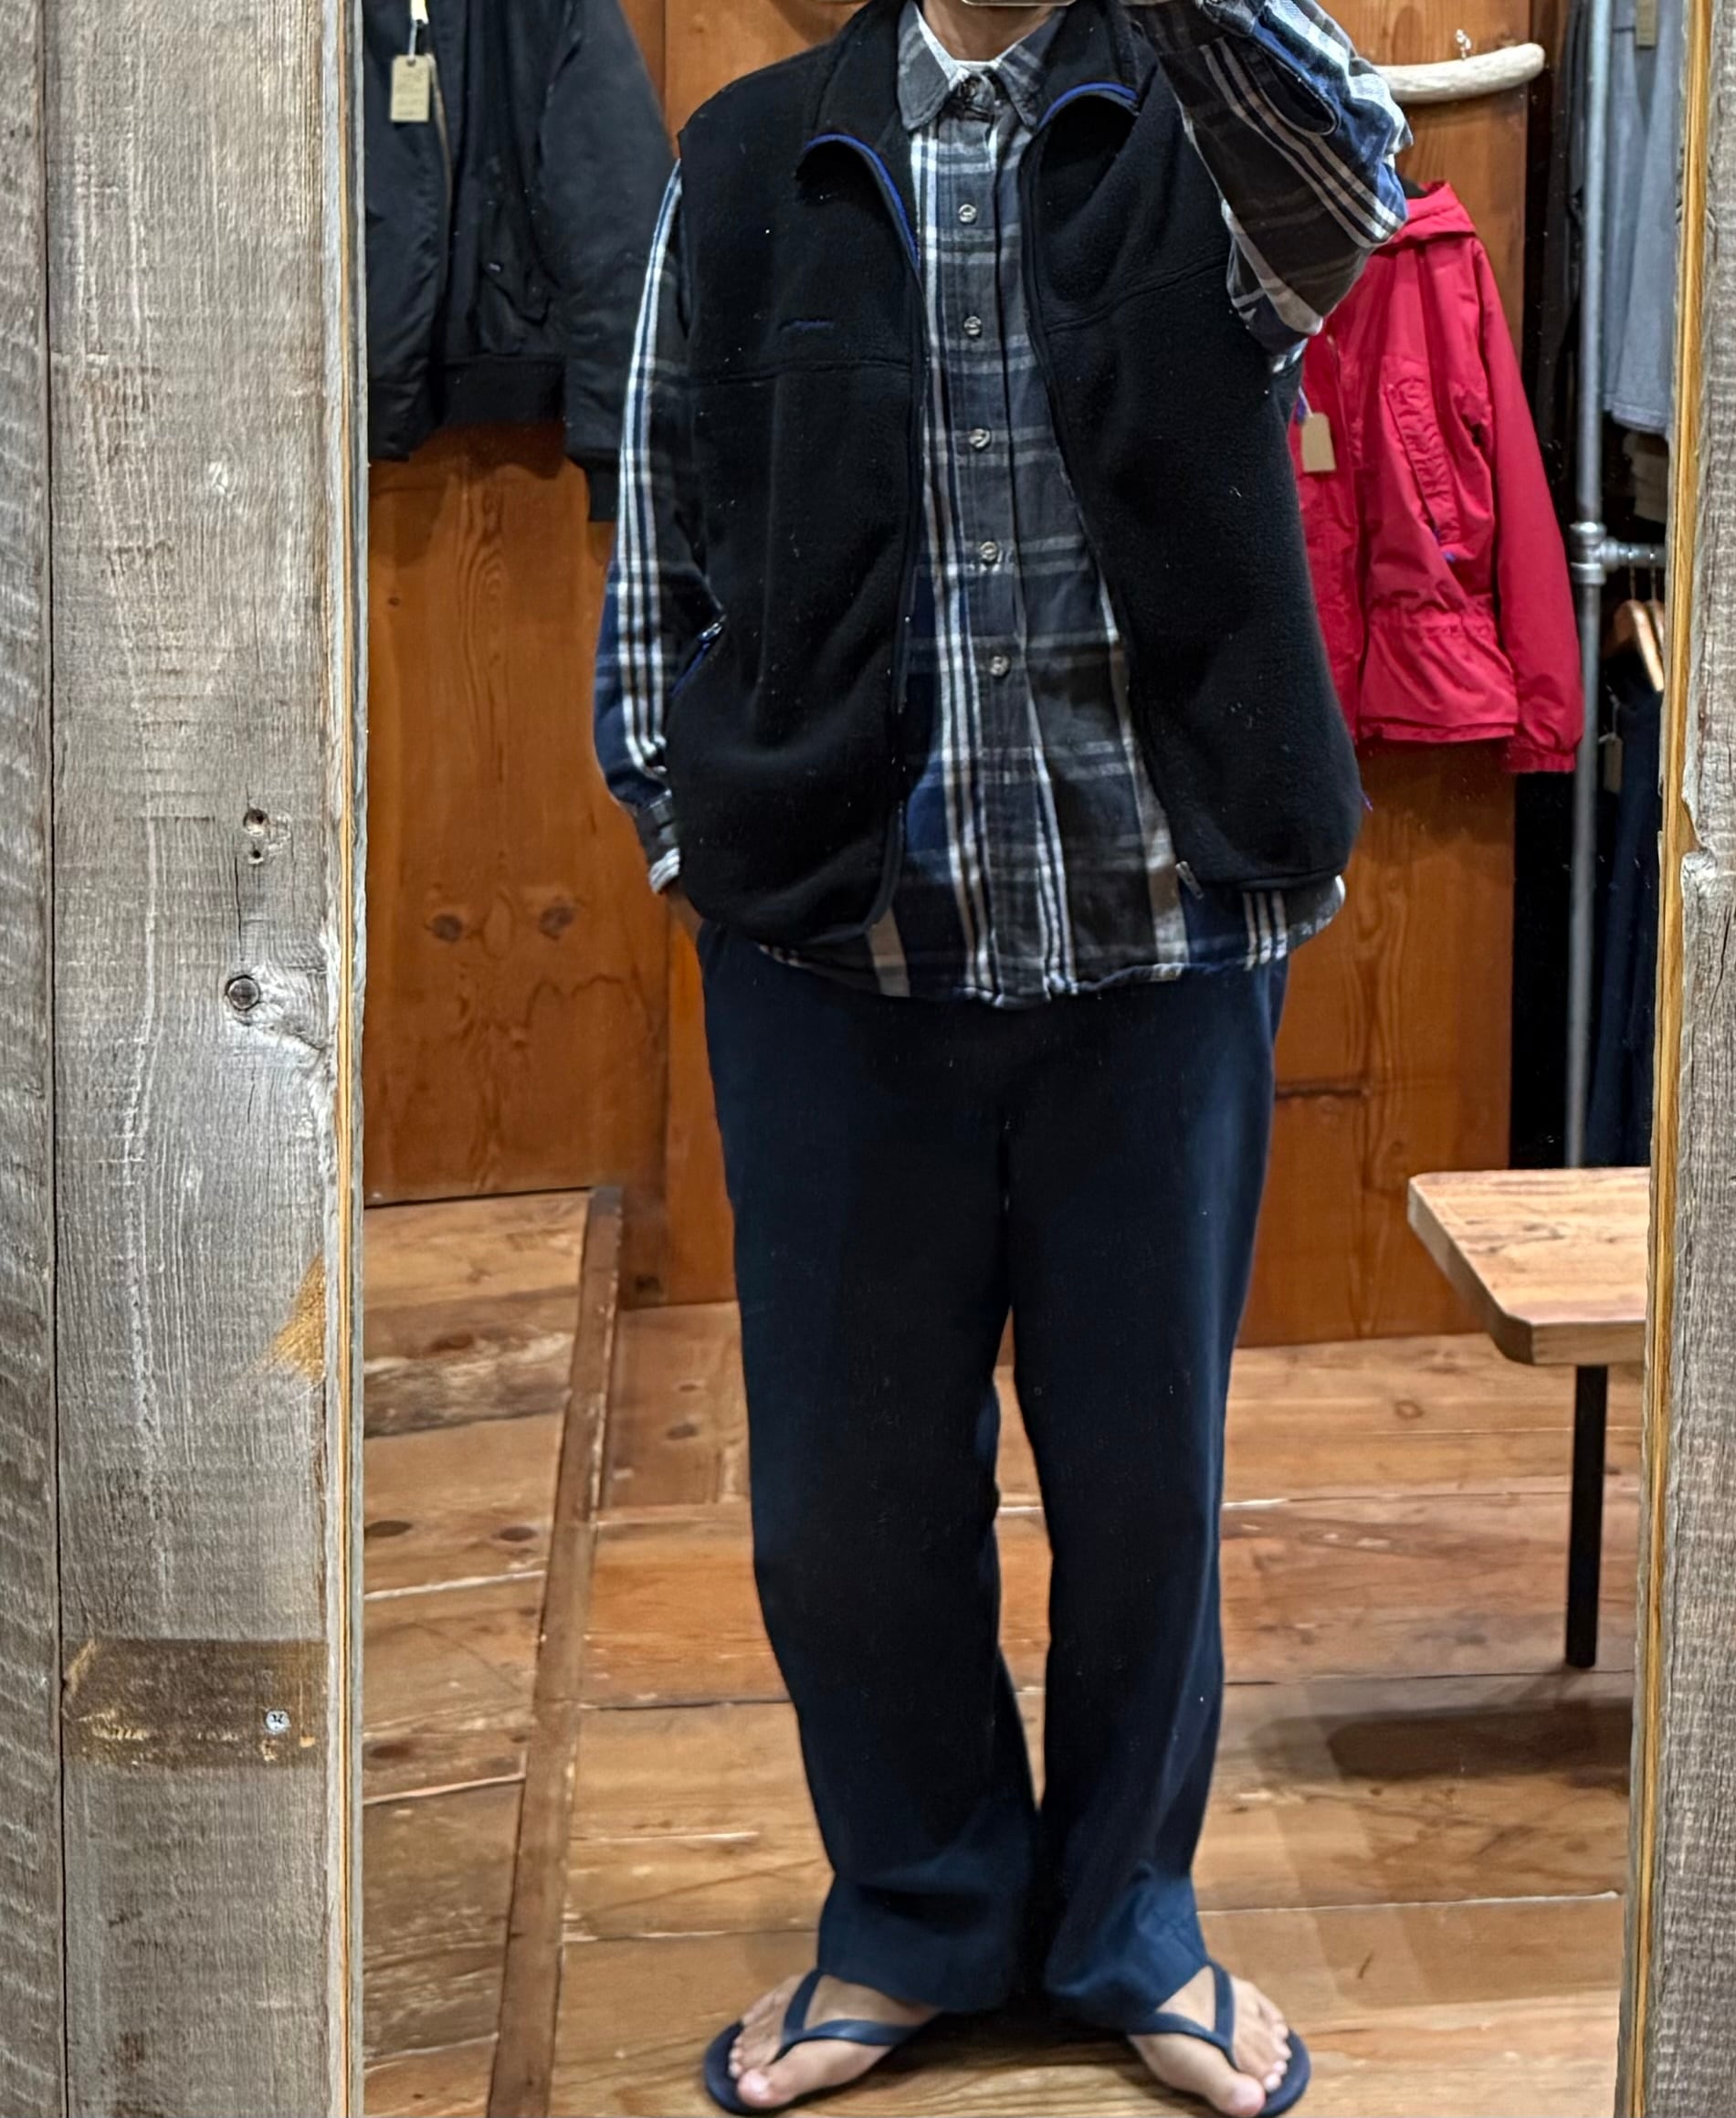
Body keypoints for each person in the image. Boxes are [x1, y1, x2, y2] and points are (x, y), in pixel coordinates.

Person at [592, 0, 1406, 2106]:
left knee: (1145, 1492)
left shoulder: (1205, 126)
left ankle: (1132, 1921)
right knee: (842, 1508)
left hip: (1161, 940)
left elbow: (1353, 158)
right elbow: (660, 512)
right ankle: (917, 1912)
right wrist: (689, 829)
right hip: (832, 959)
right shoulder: (748, 156)